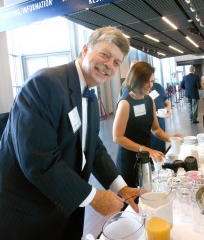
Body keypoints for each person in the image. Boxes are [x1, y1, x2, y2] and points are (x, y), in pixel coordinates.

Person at [0, 26, 140, 240]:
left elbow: (95, 147)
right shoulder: (45, 84)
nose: (109, 66)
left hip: (64, 206)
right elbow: (38, 160)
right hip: (29, 210)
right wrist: (93, 197)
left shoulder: (91, 96)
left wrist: (121, 187)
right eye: (105, 55)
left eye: (116, 63)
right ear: (85, 50)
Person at [113, 62, 181, 187]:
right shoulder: (125, 104)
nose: (150, 85)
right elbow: (117, 137)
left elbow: (155, 129)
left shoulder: (149, 100)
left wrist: (170, 138)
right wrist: (147, 150)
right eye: (147, 81)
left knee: (146, 192)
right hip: (129, 160)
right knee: (131, 198)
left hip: (145, 158)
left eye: (152, 81)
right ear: (136, 80)